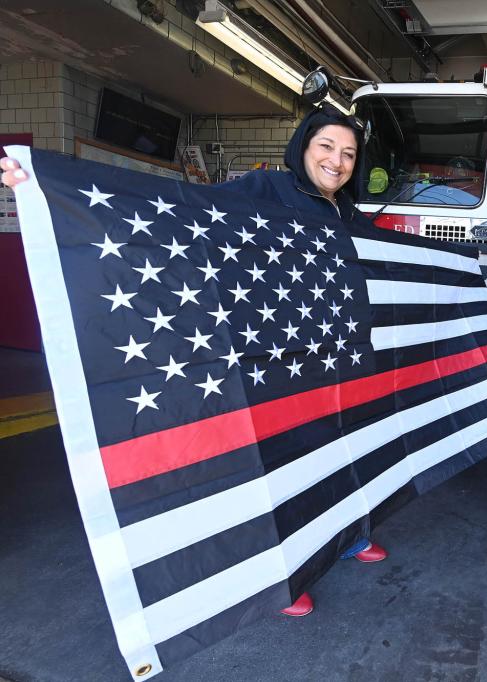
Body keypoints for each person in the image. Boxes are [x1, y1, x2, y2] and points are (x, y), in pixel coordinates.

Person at [3, 105, 387, 617]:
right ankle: (285, 575)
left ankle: (349, 534)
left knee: (339, 450)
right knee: (284, 465)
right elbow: (176, 207)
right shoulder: (265, 189)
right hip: (272, 359)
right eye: (326, 148)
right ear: (303, 147)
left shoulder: (351, 216)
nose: (336, 162)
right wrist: (44, 183)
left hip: (333, 362)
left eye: (347, 154)